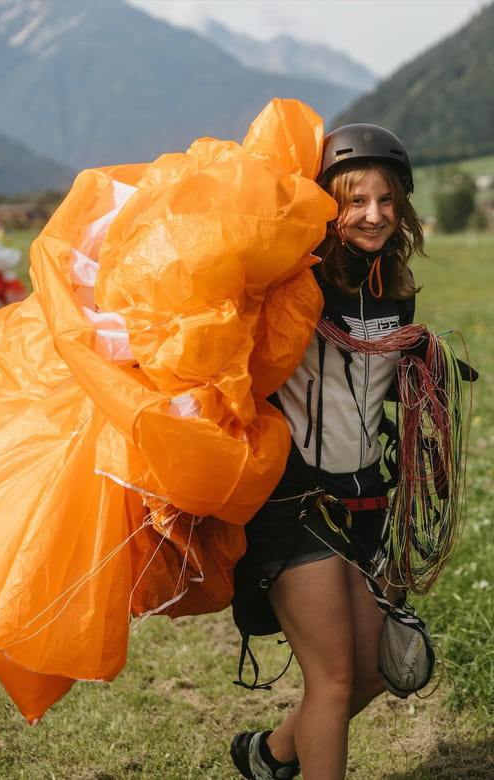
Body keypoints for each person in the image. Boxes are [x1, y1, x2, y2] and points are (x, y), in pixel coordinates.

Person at [229, 123, 427, 780]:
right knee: (335, 679)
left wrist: (422, 372)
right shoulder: (296, 280)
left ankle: (270, 755)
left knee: (371, 674)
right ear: (326, 207)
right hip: (294, 502)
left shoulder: (394, 285)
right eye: (354, 202)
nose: (372, 216)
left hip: (367, 496)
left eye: (386, 201)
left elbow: (369, 388)